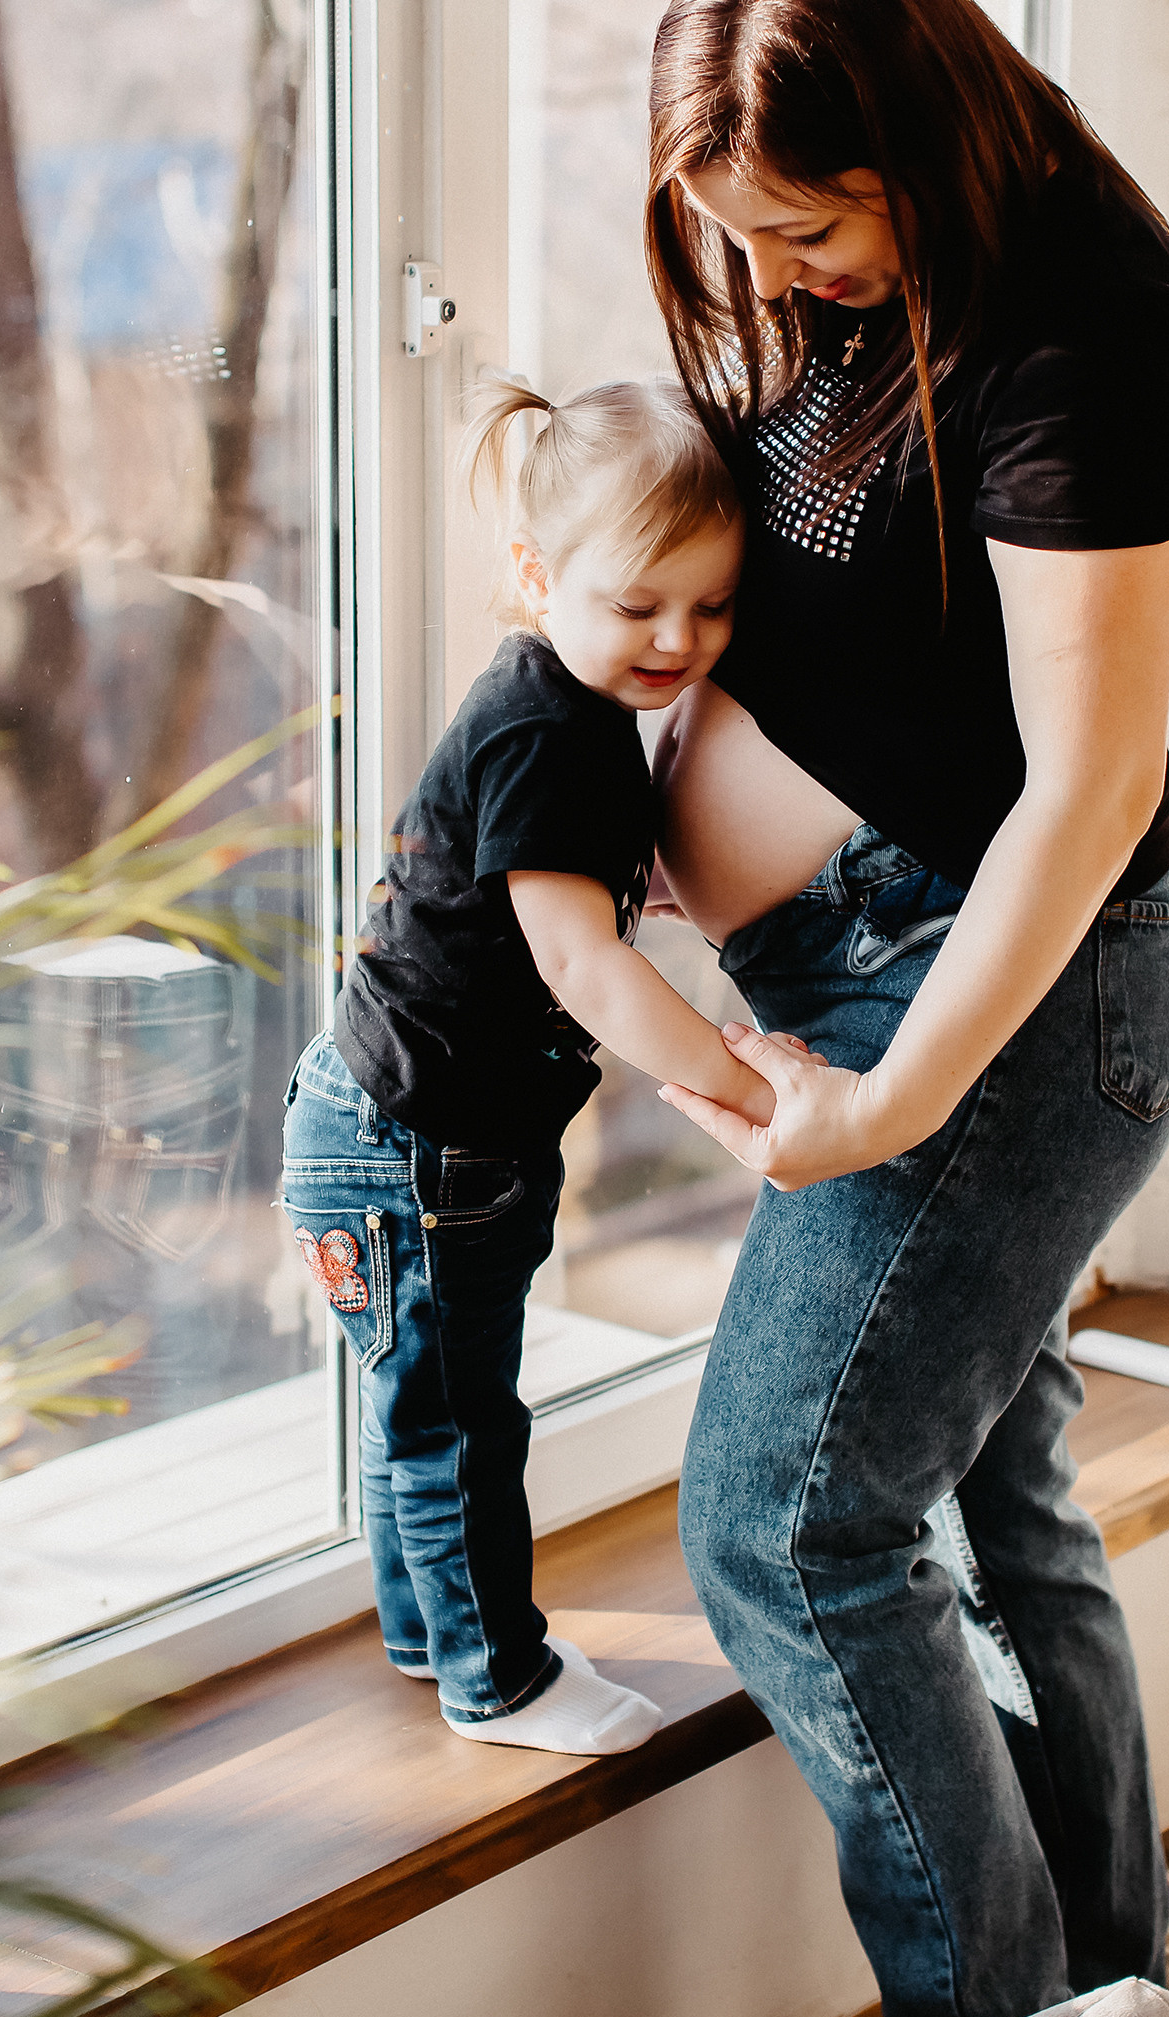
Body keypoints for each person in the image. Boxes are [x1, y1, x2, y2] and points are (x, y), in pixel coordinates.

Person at [643, 0, 1169, 2017]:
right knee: (994, 1496)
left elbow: (1090, 788)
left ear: (922, 153)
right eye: (741, 237)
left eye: (808, 229)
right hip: (888, 969)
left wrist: (887, 1106)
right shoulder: (856, 282)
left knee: (785, 1526)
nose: (779, 277)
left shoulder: (1085, 331)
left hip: (1000, 1010)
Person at [283, 379, 805, 1755]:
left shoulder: (565, 714)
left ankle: (429, 1636)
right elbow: (584, 967)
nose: (678, 639)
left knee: (423, 1410)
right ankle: (497, 1678)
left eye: (712, 606)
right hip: (415, 1146)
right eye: (639, 605)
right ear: (535, 576)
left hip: (395, 1129)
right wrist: (748, 1085)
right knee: (458, 1424)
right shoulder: (544, 733)